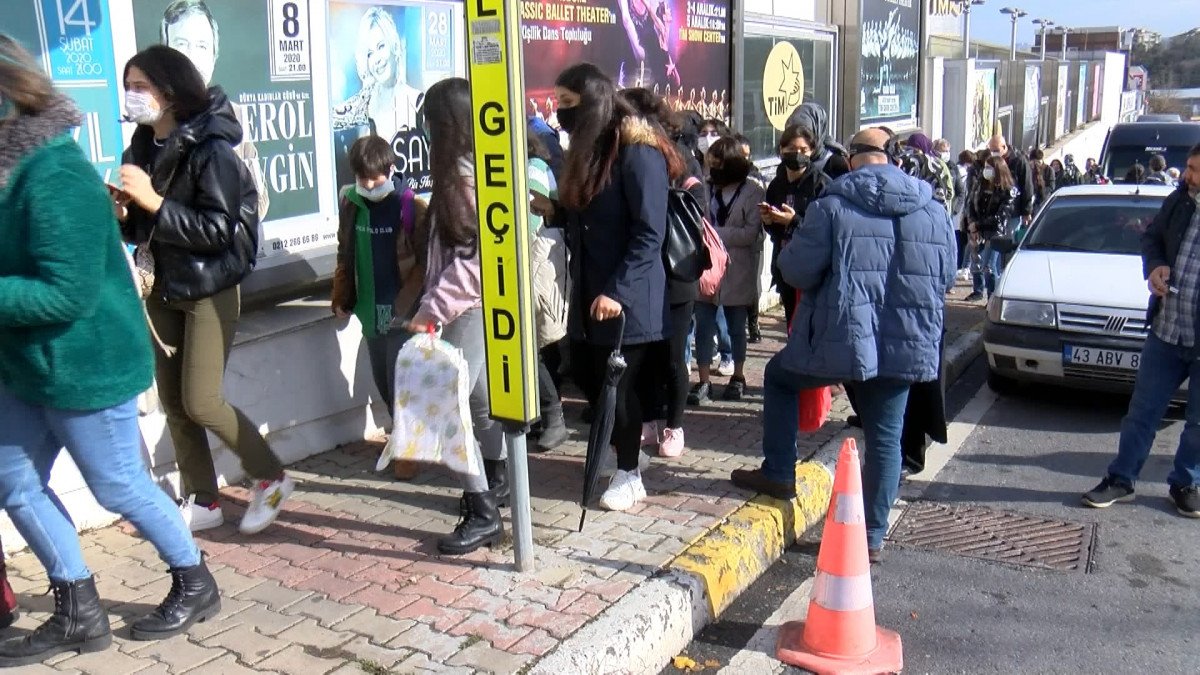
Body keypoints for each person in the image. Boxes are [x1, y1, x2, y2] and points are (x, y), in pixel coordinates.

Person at [0, 36, 219, 664]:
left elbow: (64, 294)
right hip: (24, 365)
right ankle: (78, 608)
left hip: (85, 364)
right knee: (13, 481)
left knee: (118, 484)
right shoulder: (9, 167)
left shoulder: (52, 172)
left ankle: (194, 579)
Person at [731, 128, 955, 562]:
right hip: (905, 344)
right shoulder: (932, 209)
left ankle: (779, 471)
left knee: (778, 378)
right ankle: (871, 537)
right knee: (886, 439)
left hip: (840, 340)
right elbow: (946, 276)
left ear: (852, 159)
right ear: (890, 157)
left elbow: (796, 272)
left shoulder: (831, 206)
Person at [117, 46, 292, 534]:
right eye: (127, 87)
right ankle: (203, 499)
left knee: (200, 400)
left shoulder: (211, 148)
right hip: (163, 287)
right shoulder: (140, 147)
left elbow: (218, 231)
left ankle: (271, 476)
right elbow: (145, 229)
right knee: (174, 403)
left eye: (140, 87)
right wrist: (126, 216)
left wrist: (152, 203)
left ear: (170, 92)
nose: (132, 97)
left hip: (209, 288)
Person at [547, 63, 681, 511]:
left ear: (594, 101)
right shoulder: (589, 148)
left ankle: (630, 473)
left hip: (630, 296)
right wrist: (554, 211)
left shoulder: (638, 151)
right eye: (559, 101)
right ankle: (620, 450)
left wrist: (617, 291)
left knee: (619, 388)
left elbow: (649, 233)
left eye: (568, 102)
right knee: (585, 374)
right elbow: (588, 220)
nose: (560, 111)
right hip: (590, 292)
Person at [404, 78, 509, 554]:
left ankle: (483, 508)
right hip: (474, 308)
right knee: (481, 404)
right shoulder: (476, 171)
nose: (425, 132)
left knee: (452, 407)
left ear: (446, 126)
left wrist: (431, 309)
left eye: (429, 122)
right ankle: (497, 480)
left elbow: (477, 260)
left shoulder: (462, 180)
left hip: (464, 309)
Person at [1082, 143, 1200, 518]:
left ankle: (1186, 483)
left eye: (1197, 170)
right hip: (1167, 330)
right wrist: (1156, 267)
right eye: (1190, 168)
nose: (1189, 176)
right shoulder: (1179, 201)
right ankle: (1121, 479)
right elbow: (1151, 238)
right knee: (1141, 414)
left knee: (1198, 421)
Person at [330, 135, 426, 479]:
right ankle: (403, 436)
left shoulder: (409, 205)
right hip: (370, 309)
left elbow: (424, 262)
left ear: (391, 169)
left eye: (376, 177)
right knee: (382, 382)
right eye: (362, 178)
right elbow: (345, 252)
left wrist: (409, 306)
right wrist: (342, 296)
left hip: (401, 310)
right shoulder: (350, 203)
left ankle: (407, 450)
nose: (369, 185)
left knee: (401, 380)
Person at [618, 88, 702, 457]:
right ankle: (650, 420)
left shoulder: (677, 157)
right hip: (646, 273)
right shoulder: (622, 155)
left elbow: (696, 211)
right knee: (648, 356)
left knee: (672, 355)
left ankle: (675, 424)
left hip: (676, 270)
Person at [159, 0, 269, 220]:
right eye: (181, 44)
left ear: (213, 56)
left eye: (202, 46)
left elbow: (259, 201)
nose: (191, 56)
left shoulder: (234, 114)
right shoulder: (150, 121)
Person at [690, 137, 766, 405]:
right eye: (710, 164)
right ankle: (703, 381)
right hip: (706, 268)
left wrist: (714, 234)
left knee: (736, 325)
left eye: (718, 164)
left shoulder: (753, 191)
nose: (712, 169)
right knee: (703, 325)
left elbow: (750, 233)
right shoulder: (704, 189)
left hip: (738, 268)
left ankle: (738, 376)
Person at [527, 134, 570, 452]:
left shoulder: (531, 170)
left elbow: (535, 215)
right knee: (542, 344)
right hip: (539, 262)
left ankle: (554, 418)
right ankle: (545, 416)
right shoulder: (540, 167)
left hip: (535, 262)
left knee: (536, 345)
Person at [762, 124, 829, 327]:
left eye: (803, 150)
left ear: (812, 152)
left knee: (809, 324)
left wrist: (794, 220)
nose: (797, 154)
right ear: (781, 150)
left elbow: (824, 228)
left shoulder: (821, 184)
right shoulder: (776, 184)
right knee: (792, 321)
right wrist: (768, 220)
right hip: (784, 263)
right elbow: (775, 230)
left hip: (811, 265)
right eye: (791, 149)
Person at [331, 7, 422, 144]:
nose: (377, 59)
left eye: (381, 47)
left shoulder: (417, 102)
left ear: (393, 45)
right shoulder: (362, 109)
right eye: (369, 54)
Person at [964, 155, 1018, 302]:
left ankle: (993, 299)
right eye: (985, 167)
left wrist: (979, 225)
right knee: (976, 261)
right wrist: (973, 225)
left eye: (990, 168)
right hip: (978, 230)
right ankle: (978, 291)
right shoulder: (980, 185)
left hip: (996, 233)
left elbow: (1001, 217)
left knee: (989, 266)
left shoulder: (1008, 191)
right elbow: (971, 205)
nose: (986, 171)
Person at [987, 134, 1035, 233]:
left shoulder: (1018, 160)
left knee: (1008, 239)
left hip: (1013, 210)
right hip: (994, 211)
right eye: (991, 151)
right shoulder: (990, 160)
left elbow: (1026, 186)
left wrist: (1027, 211)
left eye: (995, 150)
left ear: (1004, 147)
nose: (993, 153)